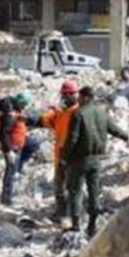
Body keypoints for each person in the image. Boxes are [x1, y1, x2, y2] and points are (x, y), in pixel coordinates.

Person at [62, 86, 129, 237]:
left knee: (75, 191)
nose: (78, 99)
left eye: (80, 96)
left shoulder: (78, 114)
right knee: (94, 191)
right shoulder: (101, 112)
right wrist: (126, 136)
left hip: (79, 160)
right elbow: (114, 129)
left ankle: (76, 225)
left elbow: (72, 139)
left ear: (85, 97)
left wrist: (64, 157)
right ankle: (92, 226)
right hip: (97, 160)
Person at [39, 80, 81, 221]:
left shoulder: (73, 112)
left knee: (68, 186)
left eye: (66, 95)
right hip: (65, 155)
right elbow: (46, 121)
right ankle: (64, 213)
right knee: (62, 186)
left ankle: (68, 214)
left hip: (69, 155)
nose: (64, 98)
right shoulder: (65, 112)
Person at [1, 92, 38, 206]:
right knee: (10, 171)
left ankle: (19, 166)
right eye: (24, 104)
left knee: (33, 144)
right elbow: (4, 134)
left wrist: (30, 119)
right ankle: (6, 197)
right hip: (12, 146)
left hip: (20, 142)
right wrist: (8, 151)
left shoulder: (18, 113)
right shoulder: (10, 116)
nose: (25, 106)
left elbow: (30, 121)